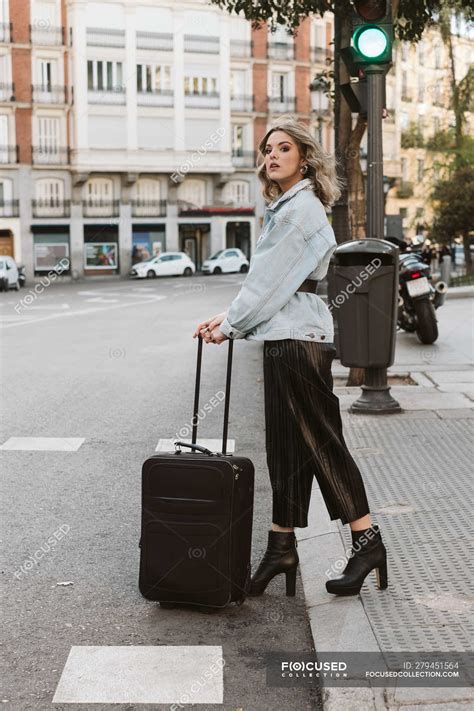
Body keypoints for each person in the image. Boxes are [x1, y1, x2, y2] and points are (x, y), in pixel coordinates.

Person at [192, 117, 388, 599]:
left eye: (283, 148)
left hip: (299, 341)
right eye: (266, 149)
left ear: (304, 157)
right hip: (288, 334)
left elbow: (269, 284)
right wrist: (225, 317)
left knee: (321, 442)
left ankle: (367, 541)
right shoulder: (287, 208)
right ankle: (281, 547)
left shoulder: (300, 210)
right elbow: (275, 285)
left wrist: (231, 326)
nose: (271, 155)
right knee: (288, 449)